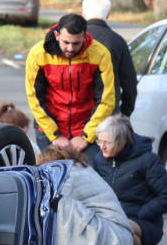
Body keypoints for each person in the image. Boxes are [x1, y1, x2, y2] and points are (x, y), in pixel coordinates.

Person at [37, 144, 161, 245]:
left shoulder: (66, 175)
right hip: (119, 243)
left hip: (107, 238)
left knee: (58, 206)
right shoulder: (82, 169)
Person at [24, 12, 117, 154]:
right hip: (49, 129)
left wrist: (86, 136)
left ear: (85, 37)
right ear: (57, 36)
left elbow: (106, 99)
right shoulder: (38, 54)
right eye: (66, 42)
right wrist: (55, 135)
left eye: (76, 43)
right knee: (50, 175)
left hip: (87, 129)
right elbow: (35, 98)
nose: (70, 48)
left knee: (89, 176)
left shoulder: (100, 54)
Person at [91, 114, 167, 245]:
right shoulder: (99, 159)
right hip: (110, 216)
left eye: (107, 142)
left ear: (122, 141)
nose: (101, 146)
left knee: (121, 227)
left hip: (142, 221)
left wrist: (142, 213)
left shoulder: (148, 160)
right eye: (99, 141)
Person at [81, 0, 137, 116]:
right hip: (108, 115)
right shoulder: (117, 41)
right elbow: (129, 83)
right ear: (108, 14)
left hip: (75, 116)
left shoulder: (69, 41)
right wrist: (124, 113)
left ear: (83, 13)